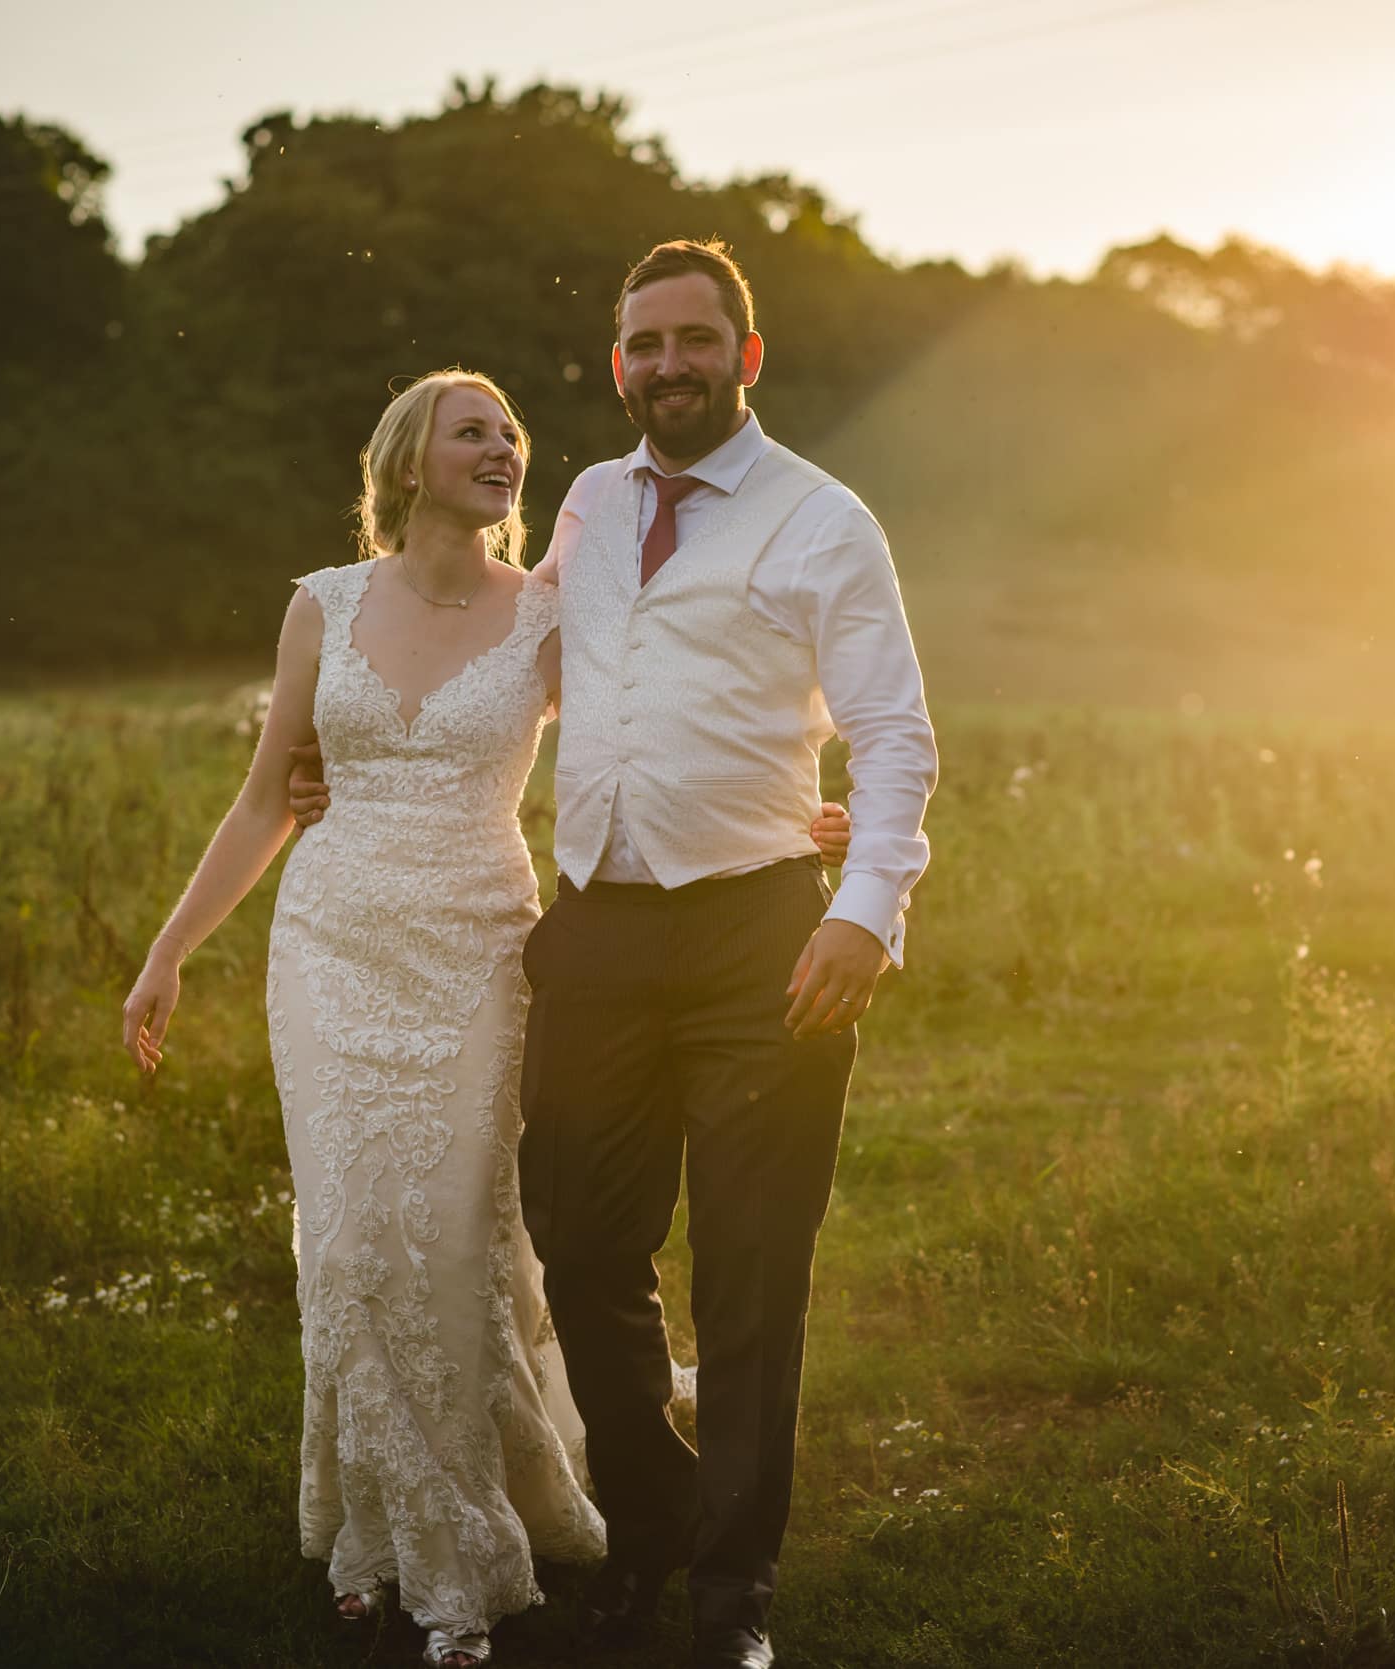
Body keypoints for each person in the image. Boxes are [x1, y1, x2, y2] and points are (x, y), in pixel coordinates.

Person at [118, 367, 853, 1668]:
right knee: (347, 1248)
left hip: (478, 950)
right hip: (331, 946)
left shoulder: (551, 615)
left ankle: (465, 1552)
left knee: (457, 1247)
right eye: (475, 430)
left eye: (512, 431)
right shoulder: (320, 608)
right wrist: (170, 953)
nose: (506, 446)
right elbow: (263, 802)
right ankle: (378, 1538)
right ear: (410, 462)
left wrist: (791, 816)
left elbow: (674, 716)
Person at [295, 239, 938, 1669]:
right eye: (642, 345)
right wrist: (348, 756)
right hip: (590, 931)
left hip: (763, 931)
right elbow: (517, 663)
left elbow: (895, 731)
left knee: (756, 1267)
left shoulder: (823, 522)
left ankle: (732, 1592)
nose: (667, 366)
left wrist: (864, 905)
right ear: (618, 365)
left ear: (745, 357)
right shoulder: (582, 504)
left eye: (694, 340)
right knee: (584, 1247)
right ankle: (647, 1527)